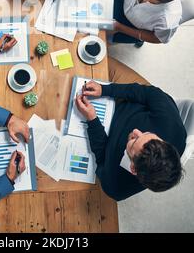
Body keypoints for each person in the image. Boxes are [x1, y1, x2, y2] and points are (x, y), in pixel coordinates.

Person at [75, 57, 186, 201]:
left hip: (101, 128)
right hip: (127, 99)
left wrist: (92, 119)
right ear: (164, 142)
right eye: (146, 133)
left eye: (134, 141)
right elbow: (149, 93)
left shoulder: (115, 187)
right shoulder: (171, 123)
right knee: (94, 59)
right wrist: (105, 89)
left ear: (133, 168)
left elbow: (101, 159)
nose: (135, 131)